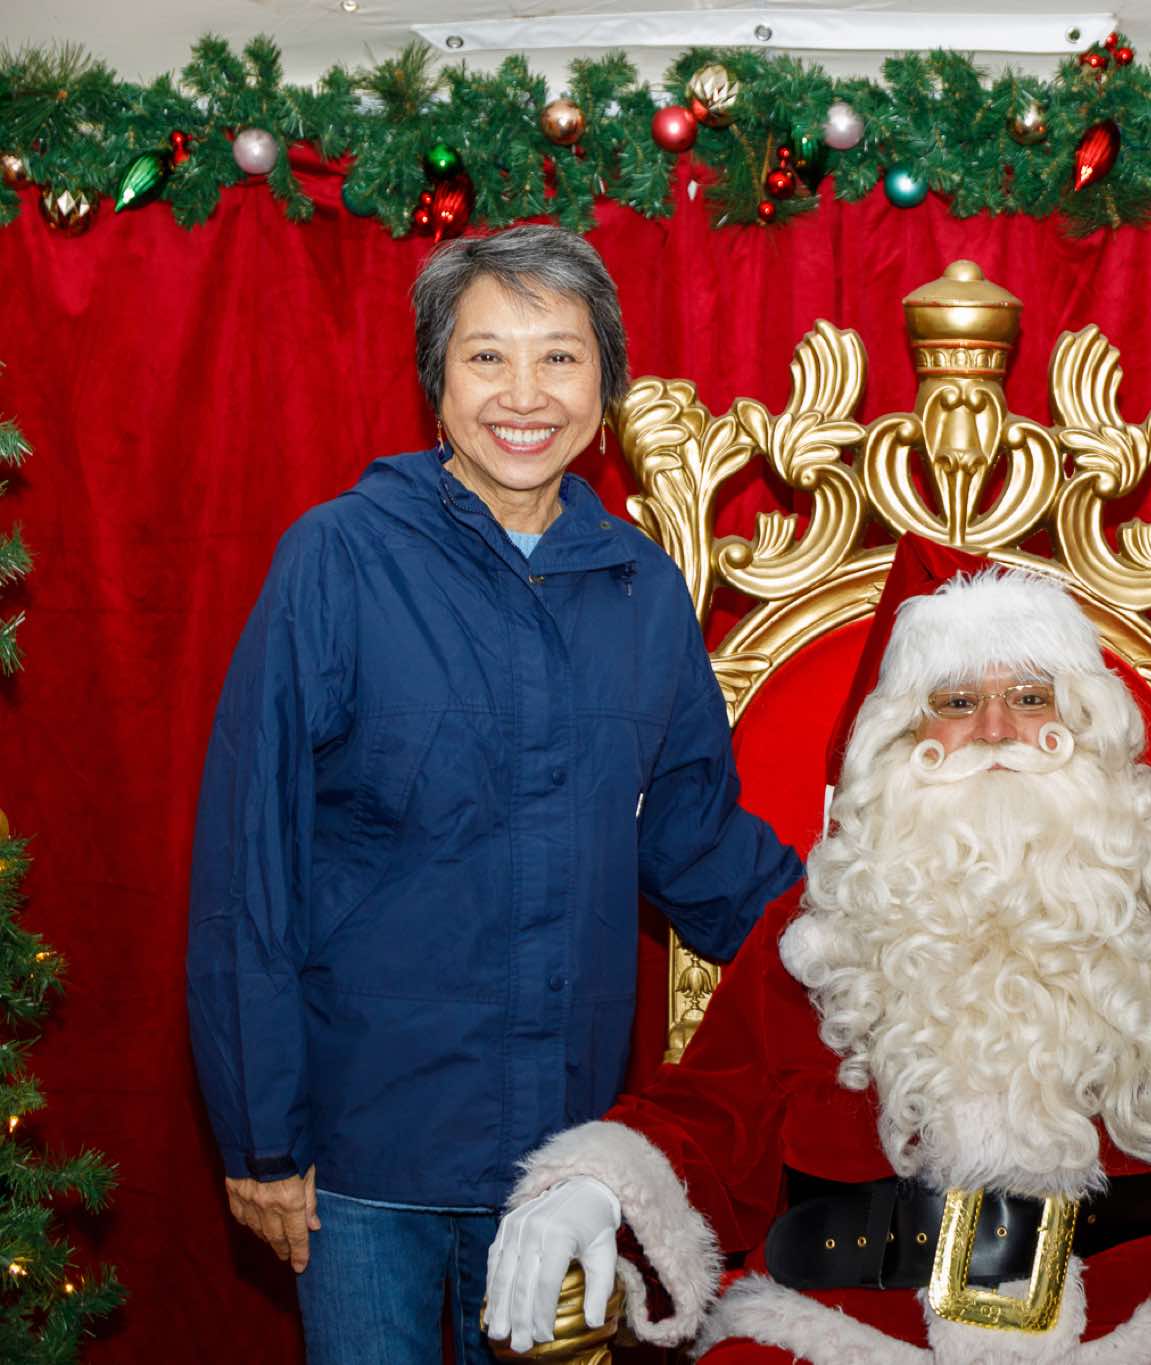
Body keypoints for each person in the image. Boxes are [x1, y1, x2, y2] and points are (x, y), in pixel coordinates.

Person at [479, 543, 1151, 1364]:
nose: (998, 730)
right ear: (902, 739)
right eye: (958, 702)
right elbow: (712, 1111)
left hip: (1127, 1327)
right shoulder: (821, 926)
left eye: (1032, 697)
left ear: (1083, 723)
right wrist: (597, 1182)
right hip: (841, 1327)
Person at [186, 224, 800, 1364]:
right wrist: (262, 1138)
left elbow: (697, 842)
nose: (525, 395)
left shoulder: (642, 588)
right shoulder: (338, 559)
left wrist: (871, 943)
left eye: (560, 357)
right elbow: (249, 863)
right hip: (363, 1155)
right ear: (437, 381)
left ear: (606, 387)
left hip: (562, 1158)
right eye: (487, 357)